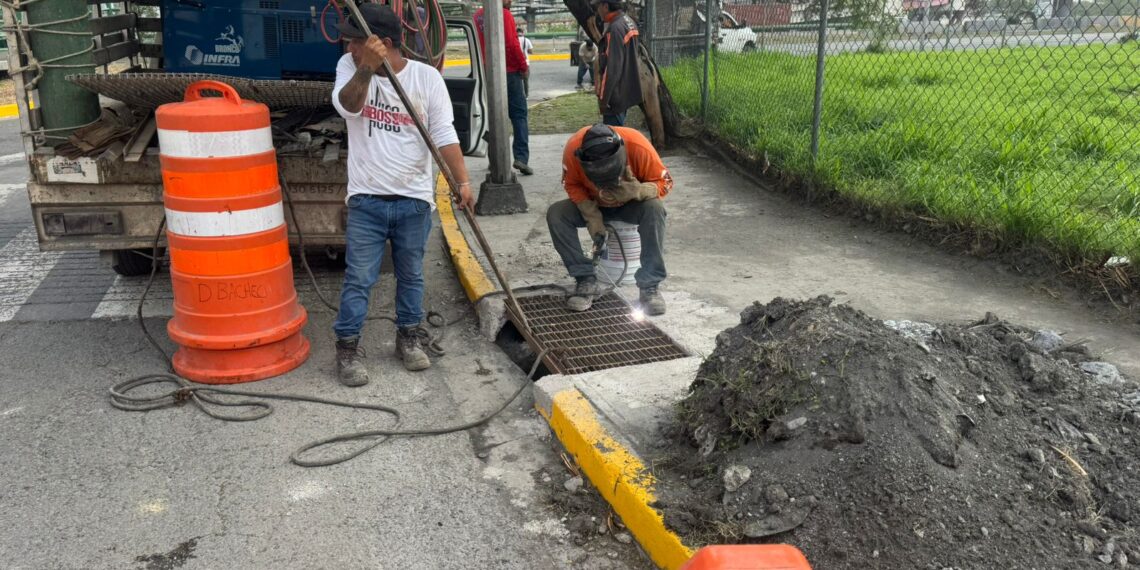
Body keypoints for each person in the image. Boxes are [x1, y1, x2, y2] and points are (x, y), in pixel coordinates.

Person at [331, 3, 474, 387]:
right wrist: (366, 67)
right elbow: (349, 106)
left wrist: (463, 182)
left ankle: (408, 339)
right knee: (359, 278)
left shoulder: (427, 79)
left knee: (411, 276)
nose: (350, 48)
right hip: (367, 199)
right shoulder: (351, 69)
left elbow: (443, 133)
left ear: (385, 43)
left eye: (356, 42)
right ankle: (347, 348)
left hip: (413, 200)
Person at [547, 124, 671, 315]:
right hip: (595, 204)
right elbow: (572, 184)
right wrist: (591, 215)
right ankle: (585, 280)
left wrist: (641, 191)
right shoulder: (573, 150)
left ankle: (650, 286)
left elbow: (666, 182)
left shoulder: (637, 145)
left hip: (630, 205)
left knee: (654, 209)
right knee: (556, 214)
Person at [475, 0, 533, 176]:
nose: (511, 2)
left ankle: (494, 159)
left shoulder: (477, 17)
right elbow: (512, 45)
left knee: (493, 116)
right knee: (519, 115)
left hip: (487, 72)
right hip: (510, 72)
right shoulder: (505, 14)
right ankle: (521, 158)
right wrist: (523, 67)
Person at [591, 0, 642, 127]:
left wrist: (604, 100)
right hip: (625, 90)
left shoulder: (614, 29)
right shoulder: (628, 22)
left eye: (598, 6)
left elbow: (612, 70)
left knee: (612, 139)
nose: (597, 11)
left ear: (606, 6)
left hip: (615, 96)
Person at [517, 27, 534, 97]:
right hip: (525, 63)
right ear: (522, 32)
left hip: (516, 63)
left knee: (518, 81)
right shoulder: (526, 40)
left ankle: (519, 95)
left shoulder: (514, 40)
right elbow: (531, 51)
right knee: (525, 80)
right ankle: (526, 95)